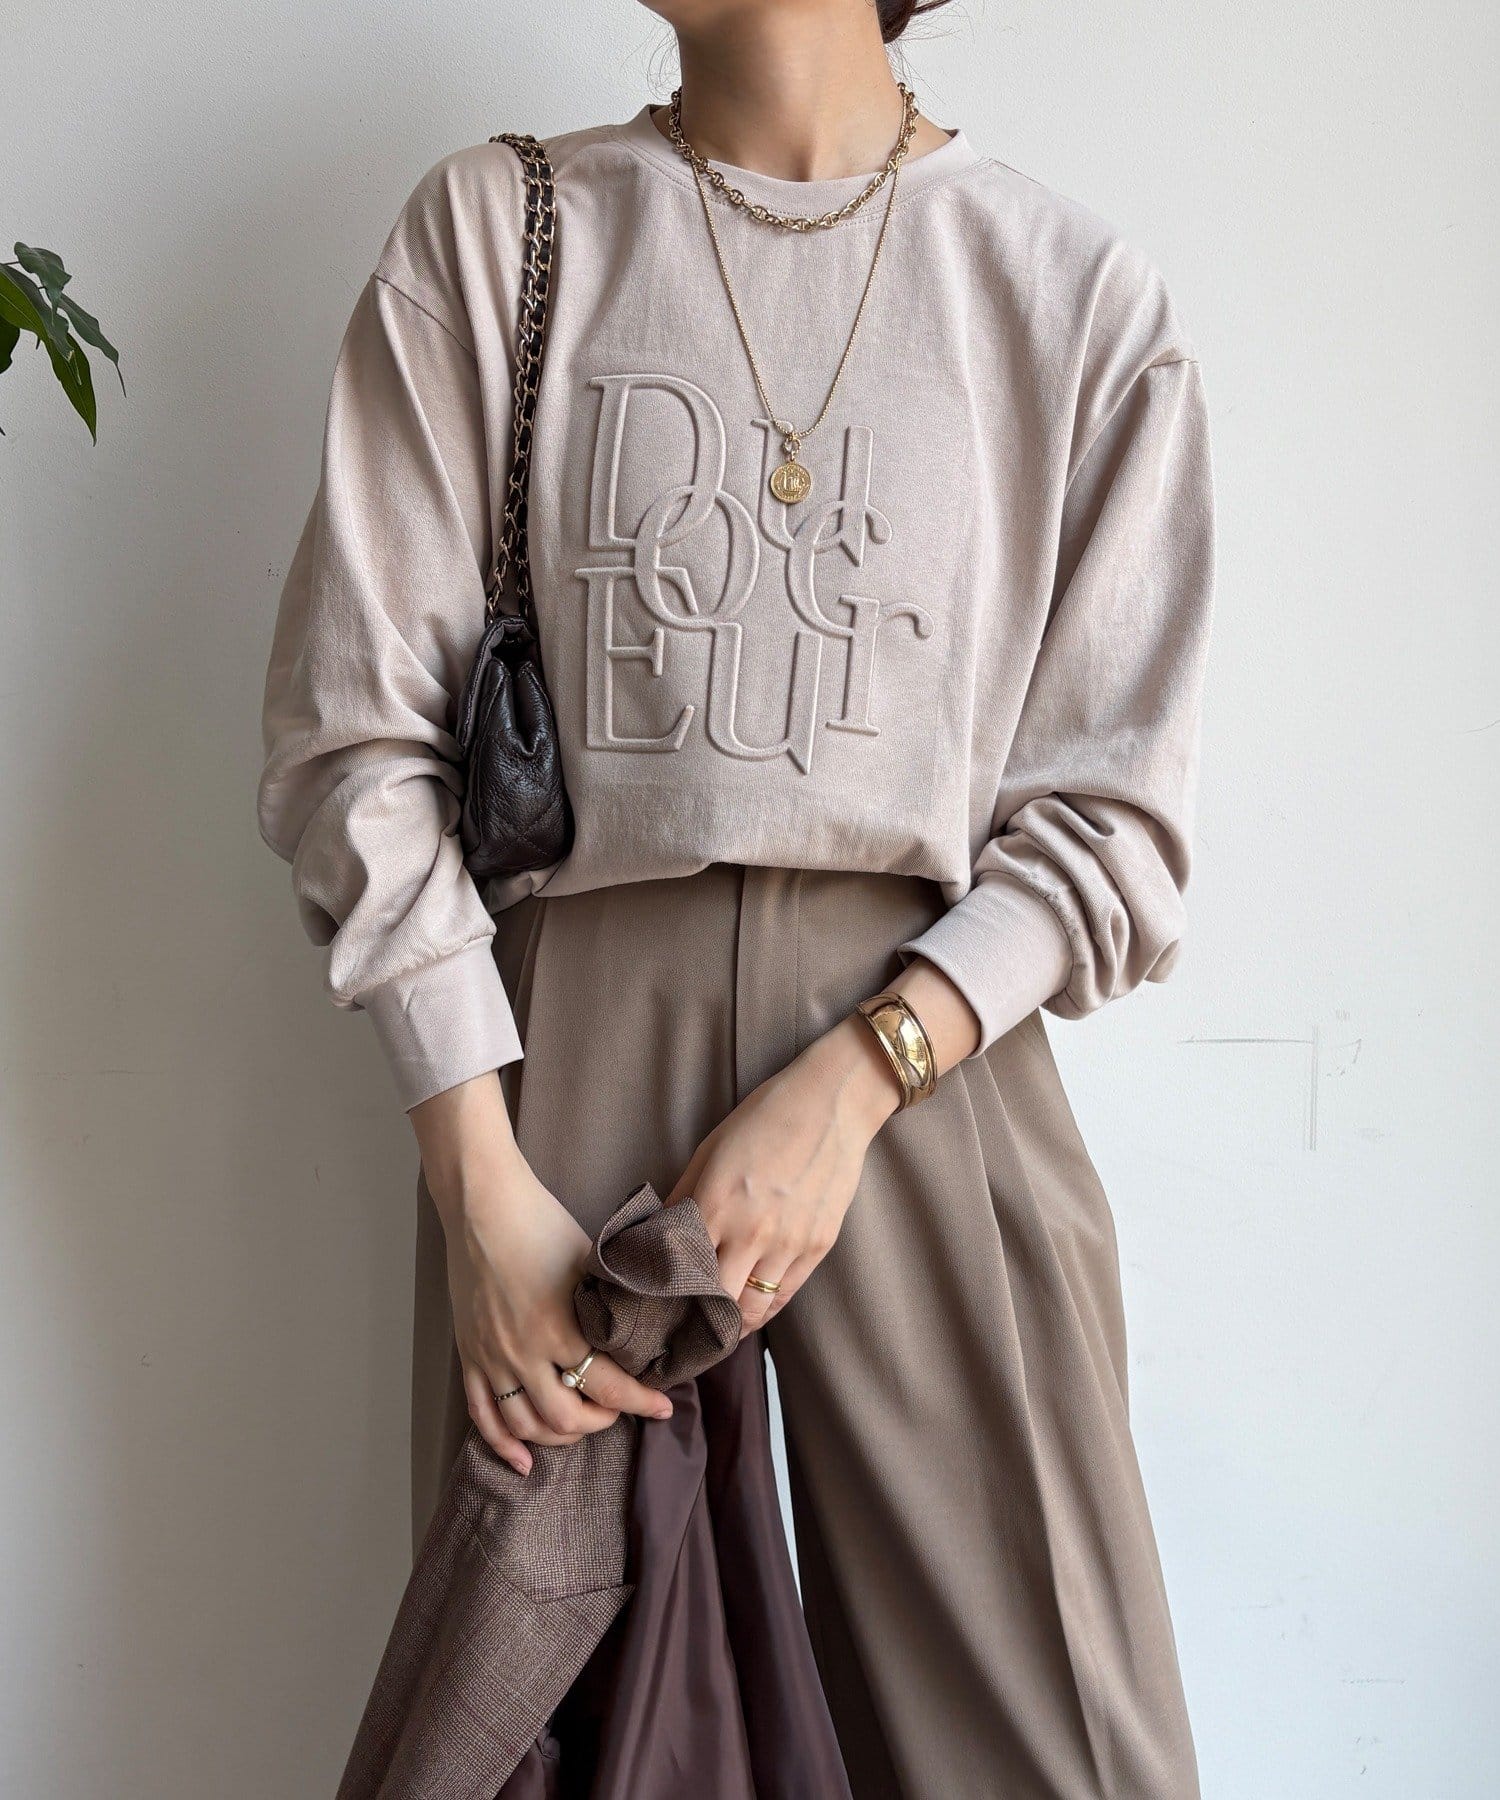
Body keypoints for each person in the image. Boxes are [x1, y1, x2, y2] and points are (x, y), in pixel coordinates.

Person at [257, 1, 1213, 1792]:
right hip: (553, 1060)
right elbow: (355, 733)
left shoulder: (1068, 293)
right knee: (532, 1715)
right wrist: (475, 1181)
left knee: (1054, 1737)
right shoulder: (503, 232)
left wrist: (860, 1079)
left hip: (924, 1055)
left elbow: (1118, 815)